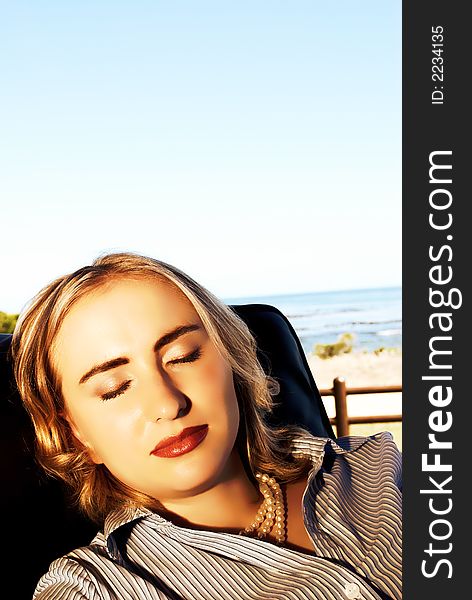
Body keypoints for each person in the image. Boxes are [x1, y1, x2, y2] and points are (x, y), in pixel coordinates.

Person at [11, 252, 402, 600]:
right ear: (78, 434)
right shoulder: (93, 588)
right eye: (115, 388)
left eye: (184, 356)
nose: (167, 404)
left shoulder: (382, 467)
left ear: (233, 361)